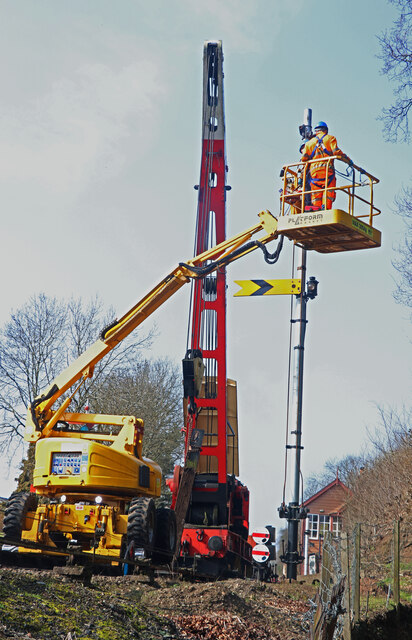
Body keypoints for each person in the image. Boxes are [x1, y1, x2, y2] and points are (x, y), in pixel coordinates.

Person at [300, 121, 351, 211]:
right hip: (328, 172)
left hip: (314, 174)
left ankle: (316, 209)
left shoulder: (309, 143)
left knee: (316, 194)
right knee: (328, 192)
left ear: (316, 131)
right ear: (326, 130)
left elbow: (304, 158)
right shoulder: (330, 138)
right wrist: (348, 160)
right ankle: (325, 209)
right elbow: (336, 152)